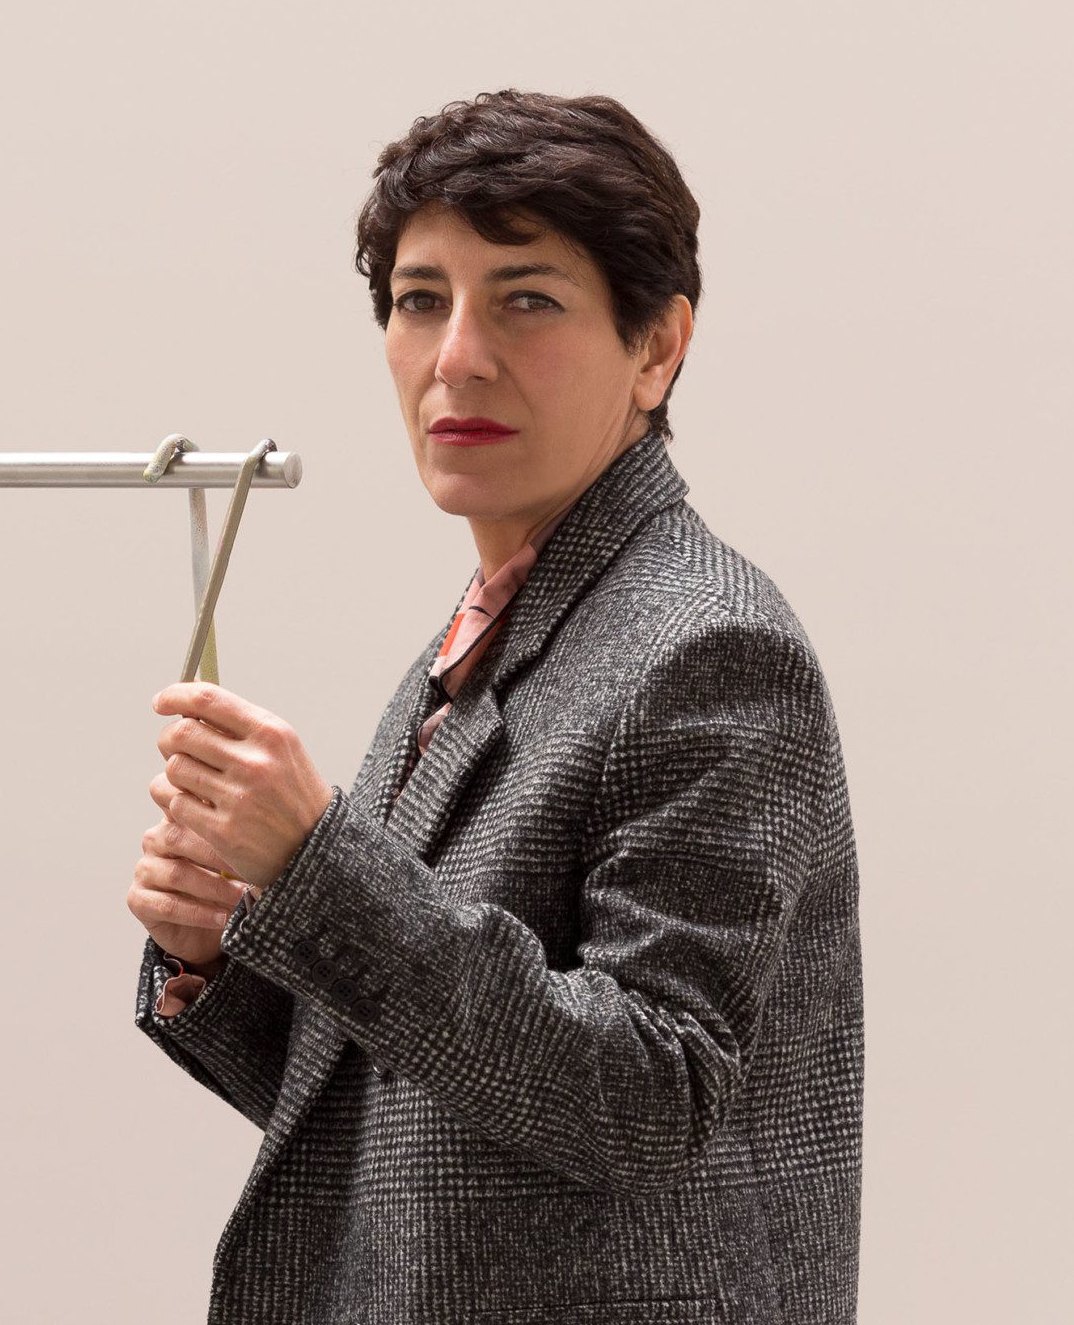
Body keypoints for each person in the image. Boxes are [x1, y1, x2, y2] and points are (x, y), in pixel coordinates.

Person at [129, 88, 864, 1324]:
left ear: (656, 348)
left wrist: (317, 864)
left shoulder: (709, 646)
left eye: (526, 299)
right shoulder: (493, 629)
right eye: (422, 301)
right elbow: (422, 1110)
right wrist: (223, 955)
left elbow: (648, 1101)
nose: (456, 354)